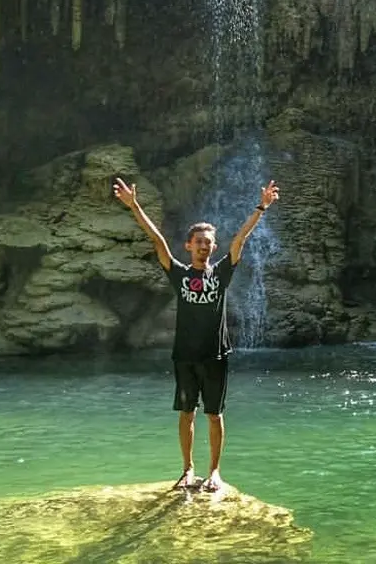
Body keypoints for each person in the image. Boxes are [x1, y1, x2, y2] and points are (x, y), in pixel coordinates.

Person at [112, 176, 280, 492]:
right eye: (199, 241)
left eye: (208, 242)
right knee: (186, 413)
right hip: (185, 356)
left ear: (213, 247)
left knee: (214, 415)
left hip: (216, 355)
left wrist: (262, 207)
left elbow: (240, 240)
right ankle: (188, 470)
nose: (204, 245)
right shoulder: (179, 274)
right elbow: (157, 239)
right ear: (189, 245)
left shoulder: (222, 272)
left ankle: (214, 472)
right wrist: (134, 206)